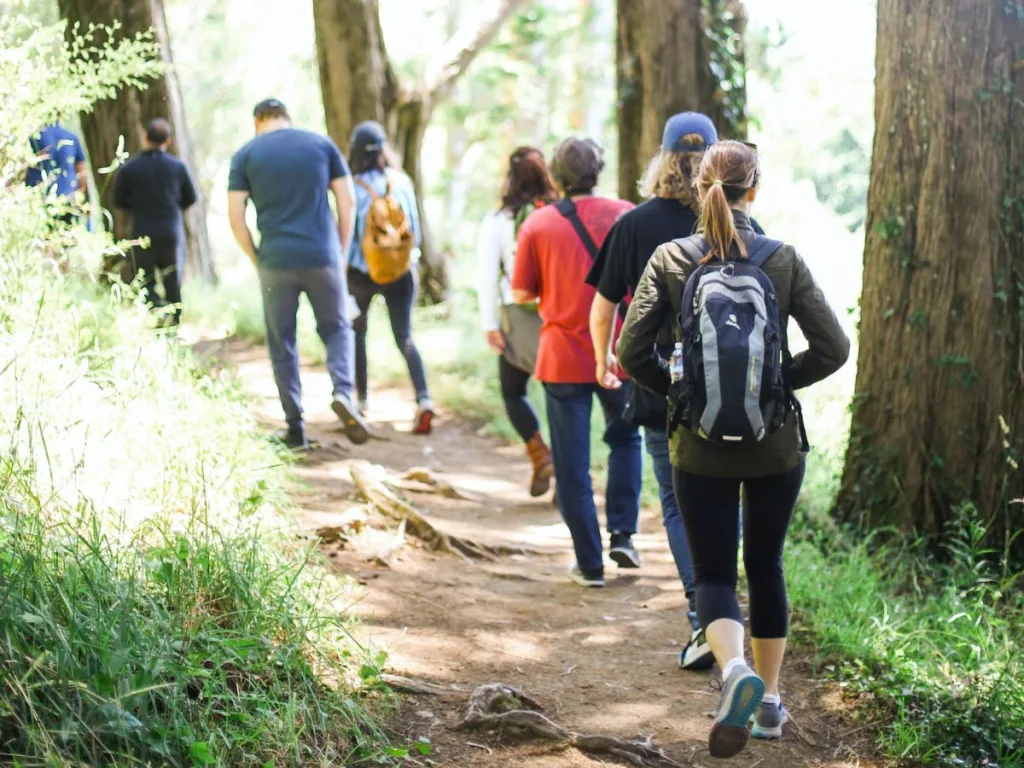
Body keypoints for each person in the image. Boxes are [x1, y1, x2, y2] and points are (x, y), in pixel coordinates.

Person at [617, 141, 850, 757]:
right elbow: (834, 348)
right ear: (756, 190)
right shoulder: (783, 258)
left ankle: (735, 672)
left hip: (698, 447)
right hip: (775, 448)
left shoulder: (671, 258)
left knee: (715, 571)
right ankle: (769, 703)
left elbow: (629, 353)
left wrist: (681, 393)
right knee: (766, 565)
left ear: (699, 189)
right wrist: (777, 385)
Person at [586, 113, 763, 672]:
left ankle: (703, 621)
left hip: (664, 388)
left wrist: (603, 360)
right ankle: (726, 616)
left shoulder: (635, 225)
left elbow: (603, 308)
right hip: (741, 391)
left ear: (661, 160)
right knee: (730, 499)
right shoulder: (746, 228)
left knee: (680, 506)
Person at [511, 137, 641, 588]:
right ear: (598, 170)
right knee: (625, 441)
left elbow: (522, 293)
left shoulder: (538, 225)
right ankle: (623, 533)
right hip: (620, 351)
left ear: (557, 176)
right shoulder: (626, 214)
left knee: (571, 463)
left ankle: (589, 563)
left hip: (563, 356)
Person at [228, 98, 370, 450]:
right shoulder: (321, 145)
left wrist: (255, 256)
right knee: (337, 329)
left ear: (258, 121)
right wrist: (339, 250)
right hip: (322, 256)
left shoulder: (246, 154)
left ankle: (295, 428)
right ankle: (343, 392)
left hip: (275, 261)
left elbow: (235, 215)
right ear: (286, 118)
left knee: (283, 344)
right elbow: (346, 200)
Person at [476, 146, 559, 496]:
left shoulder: (498, 221)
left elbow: (485, 276)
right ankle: (567, 475)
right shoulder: (560, 213)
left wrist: (489, 324)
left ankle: (539, 451)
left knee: (513, 392)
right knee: (561, 399)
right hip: (560, 318)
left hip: (516, 320)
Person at [346, 121, 434, 435]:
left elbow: (348, 235)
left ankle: (361, 399)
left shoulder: (350, 186)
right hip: (400, 271)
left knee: (357, 333)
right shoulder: (401, 182)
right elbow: (416, 234)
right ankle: (423, 399)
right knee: (405, 336)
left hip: (361, 273)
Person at [114, 118, 198, 325]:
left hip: (143, 231)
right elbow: (191, 198)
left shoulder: (129, 168)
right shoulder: (177, 167)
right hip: (170, 231)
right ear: (168, 141)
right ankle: (174, 325)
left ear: (145, 137)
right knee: (173, 280)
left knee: (145, 280)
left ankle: (156, 317)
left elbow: (118, 201)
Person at [25, 120, 87, 226]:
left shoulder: (33, 138)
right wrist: (83, 202)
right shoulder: (72, 137)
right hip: (69, 200)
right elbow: (82, 175)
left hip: (40, 200)